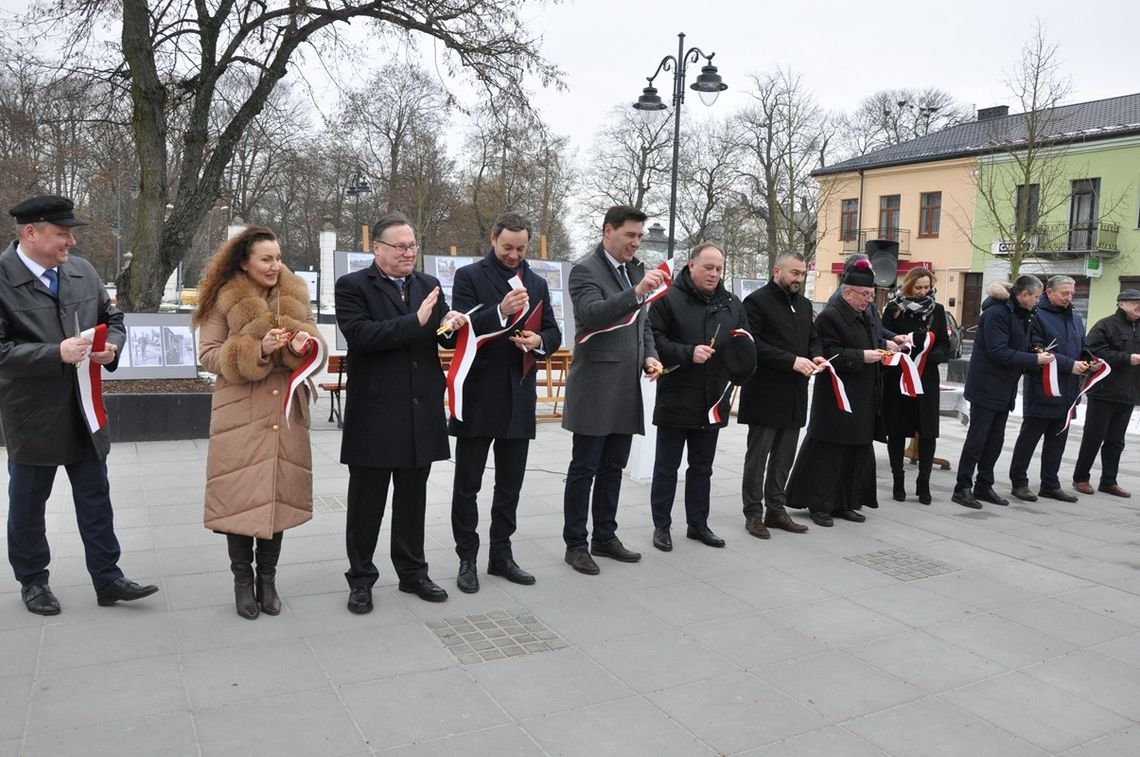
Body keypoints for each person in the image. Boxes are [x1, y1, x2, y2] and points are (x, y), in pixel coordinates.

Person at [1, 195, 157, 615]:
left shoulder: (82, 271)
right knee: (29, 504)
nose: (71, 242)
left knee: (95, 495)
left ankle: (108, 578)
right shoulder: (1, 278)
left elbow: (114, 320)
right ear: (31, 233)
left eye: (72, 233)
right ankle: (33, 581)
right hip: (32, 415)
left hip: (85, 409)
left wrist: (111, 348)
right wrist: (55, 352)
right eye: (62, 234)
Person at [335, 211, 467, 613]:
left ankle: (413, 573)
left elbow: (437, 335)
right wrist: (419, 320)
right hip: (375, 413)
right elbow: (361, 336)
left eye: (413, 245)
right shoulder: (353, 286)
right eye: (400, 246)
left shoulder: (427, 284)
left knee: (413, 502)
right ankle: (361, 579)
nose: (409, 252)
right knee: (366, 505)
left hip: (418, 412)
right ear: (376, 249)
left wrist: (450, 324)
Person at [195, 225, 326, 619]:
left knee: (276, 495)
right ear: (244, 262)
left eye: (278, 258)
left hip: (285, 411)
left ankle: (267, 579)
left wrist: (304, 343)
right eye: (266, 259)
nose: (275, 266)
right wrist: (258, 348)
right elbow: (209, 354)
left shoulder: (295, 294)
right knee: (240, 498)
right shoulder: (223, 297)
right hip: (241, 410)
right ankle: (241, 581)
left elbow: (316, 339)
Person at [448, 212, 561, 593]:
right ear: (494, 239)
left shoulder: (538, 282)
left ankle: (501, 553)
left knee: (509, 484)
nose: (514, 255)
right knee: (468, 483)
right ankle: (467, 556)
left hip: (519, 392)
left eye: (521, 248)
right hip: (479, 394)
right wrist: (502, 311)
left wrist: (538, 342)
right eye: (508, 247)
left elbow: (553, 330)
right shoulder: (469, 277)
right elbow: (458, 329)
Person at [561, 205, 665, 574]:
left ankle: (604, 535)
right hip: (594, 388)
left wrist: (649, 357)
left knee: (613, 467)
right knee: (584, 468)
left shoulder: (634, 270)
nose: (636, 243)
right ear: (608, 231)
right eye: (630, 235)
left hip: (625, 387)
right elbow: (592, 314)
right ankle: (575, 543)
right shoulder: (585, 270)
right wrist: (636, 290)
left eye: (639, 236)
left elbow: (644, 325)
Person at [647, 243, 754, 551]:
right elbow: (653, 338)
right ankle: (661, 526)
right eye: (708, 267)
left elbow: (744, 342)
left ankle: (698, 523)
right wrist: (687, 352)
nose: (714, 274)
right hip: (677, 394)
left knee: (702, 467)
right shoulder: (668, 298)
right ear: (691, 265)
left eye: (719, 269)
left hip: (713, 398)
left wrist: (738, 374)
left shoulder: (731, 303)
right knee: (667, 467)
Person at [785, 259, 888, 527]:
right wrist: (862, 357)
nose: (869, 300)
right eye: (865, 295)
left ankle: (845, 502)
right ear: (848, 292)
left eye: (871, 295)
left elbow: (874, 339)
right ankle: (819, 504)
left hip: (863, 394)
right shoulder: (831, 316)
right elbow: (826, 352)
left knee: (855, 452)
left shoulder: (865, 315)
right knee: (829, 454)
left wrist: (887, 346)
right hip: (836, 396)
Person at [737, 251, 819, 539]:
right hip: (765, 392)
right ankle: (753, 513)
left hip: (795, 393)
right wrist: (792, 361)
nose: (798, 279)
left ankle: (776, 509)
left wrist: (816, 357)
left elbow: (813, 340)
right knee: (758, 458)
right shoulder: (756, 302)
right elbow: (753, 345)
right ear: (776, 271)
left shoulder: (806, 305)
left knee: (784, 458)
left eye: (802, 274)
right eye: (794, 273)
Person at [952, 277, 1052, 509]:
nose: (1038, 302)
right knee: (978, 440)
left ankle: (984, 485)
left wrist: (1034, 350)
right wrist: (1034, 359)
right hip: (987, 386)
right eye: (1036, 297)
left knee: (995, 440)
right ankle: (962, 487)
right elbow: (999, 351)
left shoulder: (1021, 313)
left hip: (1004, 387)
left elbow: (1017, 344)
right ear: (1024, 295)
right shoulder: (996, 313)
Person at [1009, 275, 1089, 503]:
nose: (1069, 297)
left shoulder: (1075, 317)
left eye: (1072, 293)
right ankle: (1019, 482)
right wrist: (1070, 365)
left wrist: (1088, 359)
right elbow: (1037, 349)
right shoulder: (1036, 316)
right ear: (1049, 292)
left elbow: (1082, 345)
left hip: (1068, 391)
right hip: (1042, 388)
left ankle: (1050, 483)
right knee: (1029, 439)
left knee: (1057, 441)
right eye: (1064, 293)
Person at [881, 268, 950, 505]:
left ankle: (924, 482)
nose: (922, 292)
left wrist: (937, 354)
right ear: (909, 285)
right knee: (897, 430)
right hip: (899, 377)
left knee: (928, 430)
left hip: (926, 378)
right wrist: (897, 347)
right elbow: (883, 335)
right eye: (918, 287)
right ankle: (898, 480)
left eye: (926, 287)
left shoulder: (938, 310)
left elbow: (944, 342)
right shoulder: (893, 309)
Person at [1071, 289, 1140, 498]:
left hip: (1130, 391)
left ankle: (1109, 481)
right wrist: (1127, 358)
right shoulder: (1105, 324)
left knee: (1117, 440)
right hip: (1104, 390)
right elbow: (1093, 352)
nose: (1139, 305)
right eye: (1134, 302)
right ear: (1121, 303)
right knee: (1094, 436)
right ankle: (1081, 478)